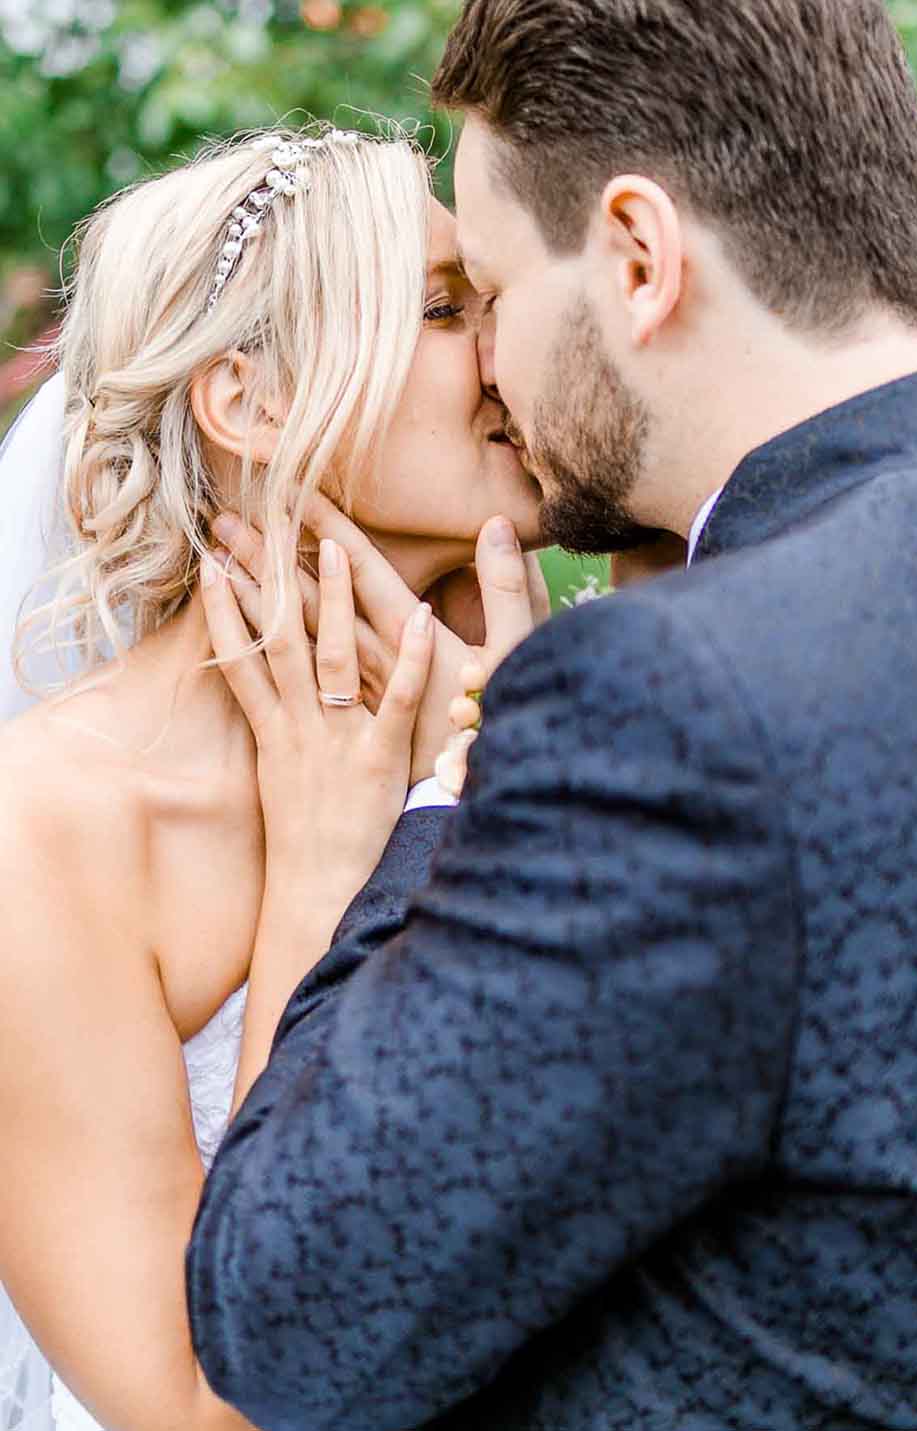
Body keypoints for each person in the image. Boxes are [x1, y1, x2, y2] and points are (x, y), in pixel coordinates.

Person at [184, 2, 917, 1427]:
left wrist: (441, 795)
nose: (491, 361)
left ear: (641, 259)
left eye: (488, 288)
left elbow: (287, 1318)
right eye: (445, 307)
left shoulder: (674, 685)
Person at [0, 124, 542, 1431]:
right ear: (248, 400)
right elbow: (211, 1405)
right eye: (443, 307)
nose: (506, 352)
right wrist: (315, 882)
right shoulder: (50, 823)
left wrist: (497, 767)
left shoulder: (521, 713)